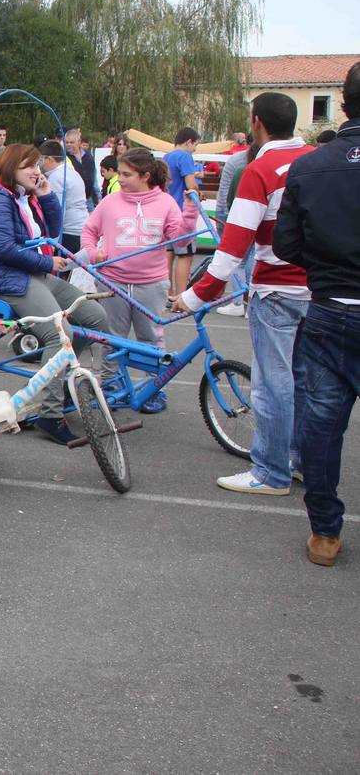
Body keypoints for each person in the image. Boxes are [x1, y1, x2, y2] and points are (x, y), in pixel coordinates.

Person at [173, 93, 312, 496]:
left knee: (272, 385)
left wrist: (194, 298)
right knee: (307, 381)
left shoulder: (260, 169)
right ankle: (300, 460)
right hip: (320, 289)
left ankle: (271, 472)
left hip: (276, 289)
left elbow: (232, 250)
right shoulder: (316, 160)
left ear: (256, 122)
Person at [273, 61, 360, 566]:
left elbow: (287, 243)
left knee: (323, 425)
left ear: (343, 103)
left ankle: (326, 532)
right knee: (321, 423)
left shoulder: (309, 165)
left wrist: (326, 264)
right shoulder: (309, 165)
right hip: (331, 303)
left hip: (329, 307)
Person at [0, 143, 107, 445]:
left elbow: (53, 231)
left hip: (33, 273)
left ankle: (52, 381)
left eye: (36, 166)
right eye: (28, 167)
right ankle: (49, 412)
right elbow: (5, 250)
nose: (36, 172)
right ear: (10, 169)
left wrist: (45, 195)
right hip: (9, 278)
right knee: (60, 336)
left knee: (96, 318)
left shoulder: (21, 196)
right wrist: (48, 262)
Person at [81, 149, 197, 391]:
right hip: (112, 283)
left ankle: (152, 389)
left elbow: (180, 241)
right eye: (120, 174)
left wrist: (189, 215)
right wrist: (93, 253)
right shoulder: (110, 201)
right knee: (112, 339)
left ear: (145, 176)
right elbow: (89, 231)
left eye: (126, 174)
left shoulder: (165, 203)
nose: (120, 179)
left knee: (151, 339)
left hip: (151, 284)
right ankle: (109, 388)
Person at [209, 143, 261, 317]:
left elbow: (228, 197)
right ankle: (251, 301)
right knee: (253, 259)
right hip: (261, 222)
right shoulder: (265, 170)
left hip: (239, 220)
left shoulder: (241, 171)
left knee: (238, 261)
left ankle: (239, 300)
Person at [162, 127, 202, 304]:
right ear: (189, 142)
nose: (194, 150)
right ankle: (181, 296)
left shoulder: (166, 157)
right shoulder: (185, 156)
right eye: (195, 145)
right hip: (182, 211)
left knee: (167, 254)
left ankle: (166, 294)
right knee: (184, 255)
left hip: (166, 210)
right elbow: (190, 184)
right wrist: (198, 194)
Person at [37, 140, 89, 258]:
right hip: (81, 228)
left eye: (41, 160)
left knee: (63, 272)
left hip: (68, 232)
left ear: (49, 159)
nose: (40, 164)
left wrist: (53, 241)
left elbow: (57, 211)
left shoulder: (56, 178)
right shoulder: (72, 173)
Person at [63, 127, 99, 208]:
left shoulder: (88, 156)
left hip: (89, 199)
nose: (68, 145)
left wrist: (98, 197)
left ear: (79, 142)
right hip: (74, 201)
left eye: (71, 142)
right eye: (67, 142)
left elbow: (94, 178)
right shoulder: (64, 158)